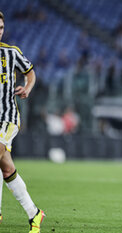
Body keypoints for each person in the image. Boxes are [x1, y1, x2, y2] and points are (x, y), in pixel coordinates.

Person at [0, 11, 45, 232]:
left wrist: (27, 88)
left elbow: (30, 73)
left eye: (1, 28)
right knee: (6, 169)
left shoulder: (11, 53)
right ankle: (34, 213)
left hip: (7, 117)